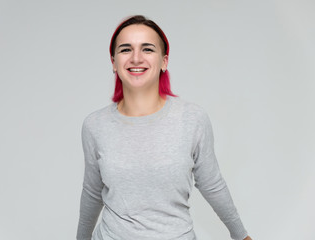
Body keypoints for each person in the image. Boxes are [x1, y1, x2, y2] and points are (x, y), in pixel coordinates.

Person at [76, 15, 252, 240]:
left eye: (147, 49)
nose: (136, 58)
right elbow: (92, 193)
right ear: (113, 62)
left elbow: (211, 183)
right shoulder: (95, 125)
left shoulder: (192, 118)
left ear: (164, 61)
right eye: (125, 49)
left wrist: (241, 235)